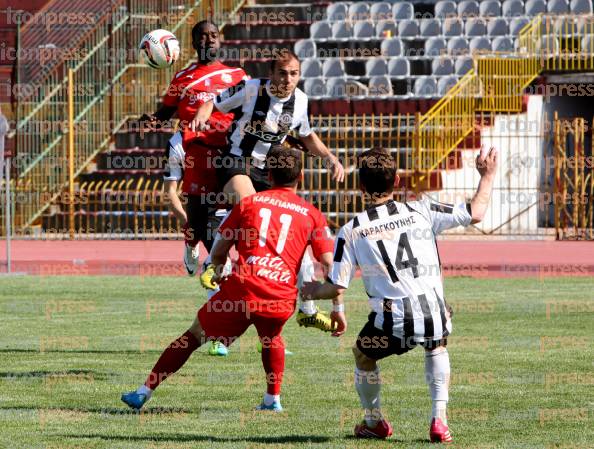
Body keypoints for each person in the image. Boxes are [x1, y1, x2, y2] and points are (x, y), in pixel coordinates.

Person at [121, 146, 345, 411]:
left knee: (192, 337)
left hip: (243, 291)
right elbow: (332, 268)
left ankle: (143, 391)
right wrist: (337, 309)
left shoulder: (249, 204)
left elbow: (218, 252)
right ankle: (272, 400)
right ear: (302, 177)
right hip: (280, 298)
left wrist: (216, 270)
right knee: (271, 337)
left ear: (268, 174)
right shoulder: (312, 214)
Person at [301, 146, 498, 443]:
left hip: (393, 320)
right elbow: (477, 212)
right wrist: (487, 175)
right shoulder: (421, 208)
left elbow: (336, 286)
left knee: (363, 355)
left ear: (362, 186)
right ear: (396, 181)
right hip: (435, 311)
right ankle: (439, 420)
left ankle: (375, 422)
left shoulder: (352, 230)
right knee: (436, 345)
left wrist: (312, 290)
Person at [190, 50, 346, 332]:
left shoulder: (300, 102)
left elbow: (307, 136)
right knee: (252, 209)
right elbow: (211, 103)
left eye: (294, 74)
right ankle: (214, 263)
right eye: (282, 73)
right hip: (236, 161)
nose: (288, 80)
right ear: (271, 73)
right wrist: (202, 116)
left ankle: (307, 311)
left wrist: (330, 158)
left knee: (292, 234)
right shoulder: (251, 89)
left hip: (269, 172)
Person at [142, 20, 248, 356]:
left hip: (230, 161)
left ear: (221, 40)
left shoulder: (237, 76)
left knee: (240, 231)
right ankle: (199, 248)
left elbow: (256, 111)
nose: (208, 40)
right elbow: (165, 112)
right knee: (201, 228)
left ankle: (250, 321)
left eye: (213, 35)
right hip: (195, 159)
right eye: (202, 36)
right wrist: (152, 120)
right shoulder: (182, 78)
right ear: (192, 42)